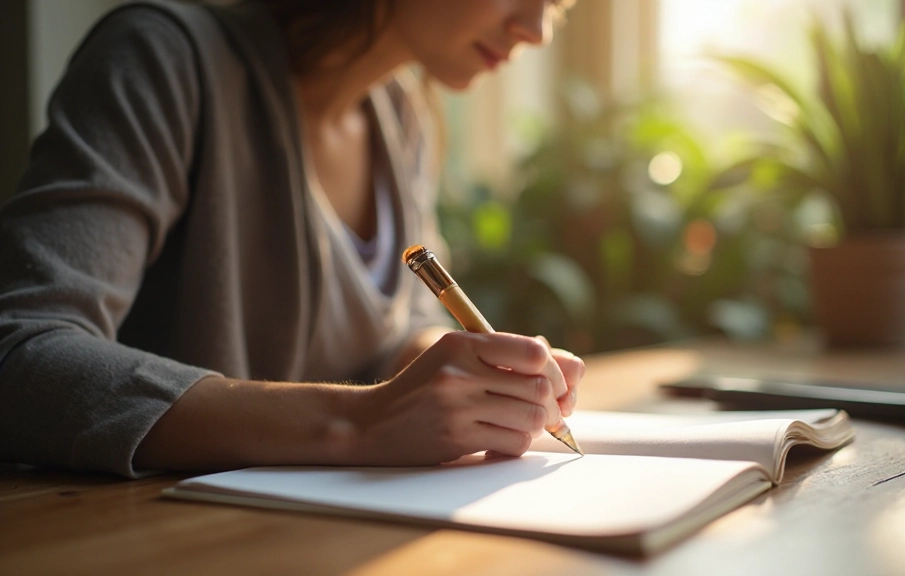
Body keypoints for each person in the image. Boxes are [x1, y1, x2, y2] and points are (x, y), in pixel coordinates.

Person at [0, 0, 583, 478]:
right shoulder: (163, 59)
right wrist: (358, 423)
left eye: (557, 6)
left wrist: (466, 374)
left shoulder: (402, 114)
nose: (535, 30)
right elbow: (20, 352)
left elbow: (385, 338)